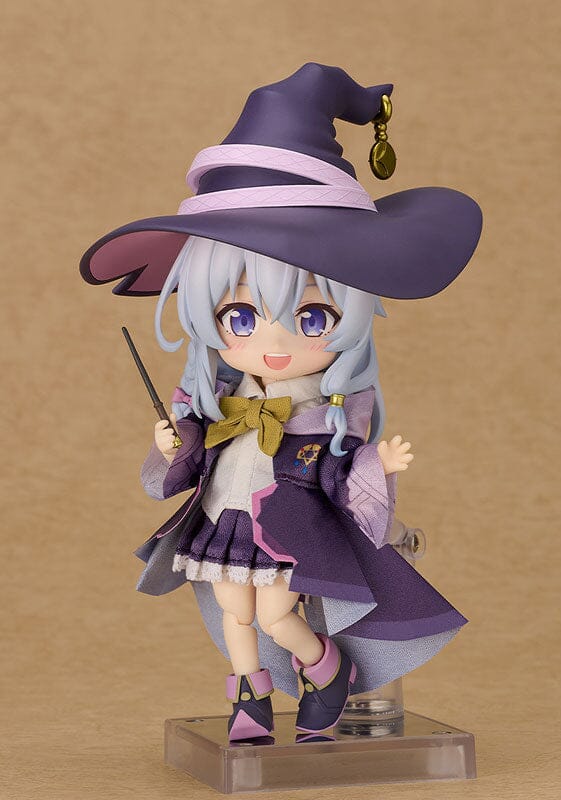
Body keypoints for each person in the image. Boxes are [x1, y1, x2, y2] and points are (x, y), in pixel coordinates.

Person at [79, 63, 482, 740]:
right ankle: (250, 700)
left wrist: (373, 466)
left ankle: (325, 668)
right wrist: (174, 444)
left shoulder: (327, 410)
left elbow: (336, 470)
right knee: (234, 612)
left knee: (273, 614)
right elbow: (189, 461)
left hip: (288, 528)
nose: (271, 342)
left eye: (311, 318)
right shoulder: (218, 399)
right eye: (239, 317)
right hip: (223, 517)